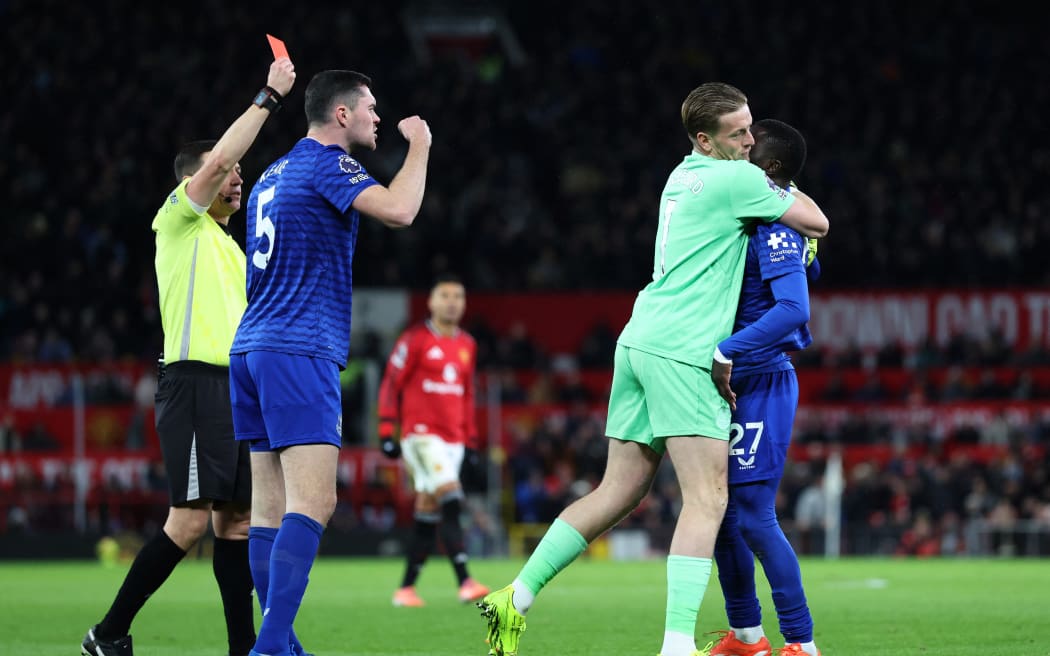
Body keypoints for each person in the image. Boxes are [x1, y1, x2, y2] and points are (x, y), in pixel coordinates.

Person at [477, 82, 829, 656]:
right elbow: (816, 223)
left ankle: (515, 597)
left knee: (617, 490)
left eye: (750, 130)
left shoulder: (679, 175)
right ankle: (675, 645)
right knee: (709, 500)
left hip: (637, 338)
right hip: (687, 349)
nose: (747, 140)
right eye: (737, 132)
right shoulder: (741, 177)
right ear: (705, 139)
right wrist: (780, 179)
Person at [81, 57, 296, 656]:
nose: (236, 178)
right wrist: (270, 97)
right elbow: (223, 158)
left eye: (239, 173)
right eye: (225, 172)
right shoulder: (178, 222)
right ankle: (107, 633)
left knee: (237, 525)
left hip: (239, 389)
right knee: (189, 521)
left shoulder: (232, 247)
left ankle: (241, 648)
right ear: (193, 182)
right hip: (194, 383)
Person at [228, 69, 431, 656]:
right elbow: (399, 211)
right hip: (298, 347)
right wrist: (418, 145)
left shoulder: (273, 171)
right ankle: (269, 649)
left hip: (252, 349)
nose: (376, 116)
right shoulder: (327, 162)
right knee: (314, 503)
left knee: (268, 511)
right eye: (369, 107)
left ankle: (281, 645)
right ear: (340, 114)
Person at [707, 119, 822, 656]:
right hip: (728, 381)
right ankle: (746, 636)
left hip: (759, 379)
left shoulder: (776, 226)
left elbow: (795, 309)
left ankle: (801, 642)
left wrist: (728, 348)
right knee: (721, 515)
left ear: (768, 170)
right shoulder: (760, 216)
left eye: (749, 148)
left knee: (752, 514)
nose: (741, 150)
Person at [377, 273, 490, 607]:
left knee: (428, 510)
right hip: (422, 438)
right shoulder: (414, 340)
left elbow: (468, 395)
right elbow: (391, 384)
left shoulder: (467, 345)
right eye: (445, 296)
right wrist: (386, 430)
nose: (452, 302)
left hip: (453, 440)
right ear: (431, 302)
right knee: (451, 499)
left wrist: (470, 441)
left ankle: (406, 589)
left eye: (458, 296)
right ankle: (466, 581)